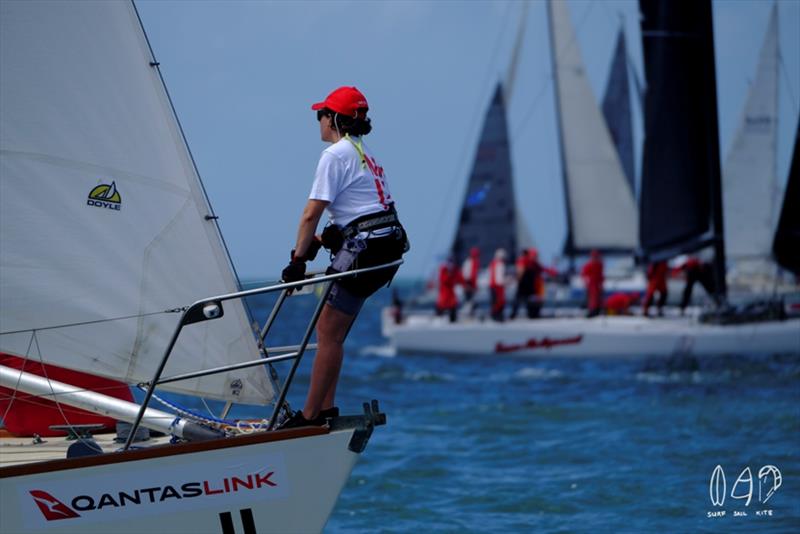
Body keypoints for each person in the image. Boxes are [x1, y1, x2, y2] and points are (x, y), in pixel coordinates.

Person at [279, 86, 408, 428]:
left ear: (333, 119)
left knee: (328, 332)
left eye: (321, 114)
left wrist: (298, 261)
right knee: (332, 334)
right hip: (386, 248)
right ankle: (325, 407)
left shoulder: (335, 154)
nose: (318, 120)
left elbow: (311, 213)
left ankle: (310, 416)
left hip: (365, 249)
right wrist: (332, 236)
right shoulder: (365, 154)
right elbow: (364, 208)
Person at [435, 257, 463, 323]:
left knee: (453, 305)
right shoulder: (444, 270)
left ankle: (453, 320)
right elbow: (444, 280)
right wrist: (450, 275)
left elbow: (460, 279)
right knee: (441, 305)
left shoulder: (454, 270)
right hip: (444, 292)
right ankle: (438, 319)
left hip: (451, 292)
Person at [581, 249, 604, 317]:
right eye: (594, 256)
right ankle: (592, 311)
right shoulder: (589, 265)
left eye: (596, 256)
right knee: (592, 298)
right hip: (592, 283)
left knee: (597, 297)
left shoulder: (599, 265)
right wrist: (586, 282)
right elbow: (584, 274)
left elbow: (601, 275)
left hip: (597, 283)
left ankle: (597, 310)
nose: (595, 258)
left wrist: (601, 284)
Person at [488, 248, 507, 321]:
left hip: (493, 286)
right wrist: (507, 280)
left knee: (494, 302)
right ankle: (498, 316)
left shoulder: (493, 263)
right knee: (499, 302)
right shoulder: (500, 264)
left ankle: (495, 315)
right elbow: (499, 279)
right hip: (498, 287)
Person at [461, 247, 480, 317]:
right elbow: (466, 274)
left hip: (472, 284)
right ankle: (466, 314)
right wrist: (467, 284)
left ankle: (471, 313)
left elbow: (475, 275)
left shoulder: (475, 262)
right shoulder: (469, 262)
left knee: (472, 300)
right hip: (468, 283)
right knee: (468, 300)